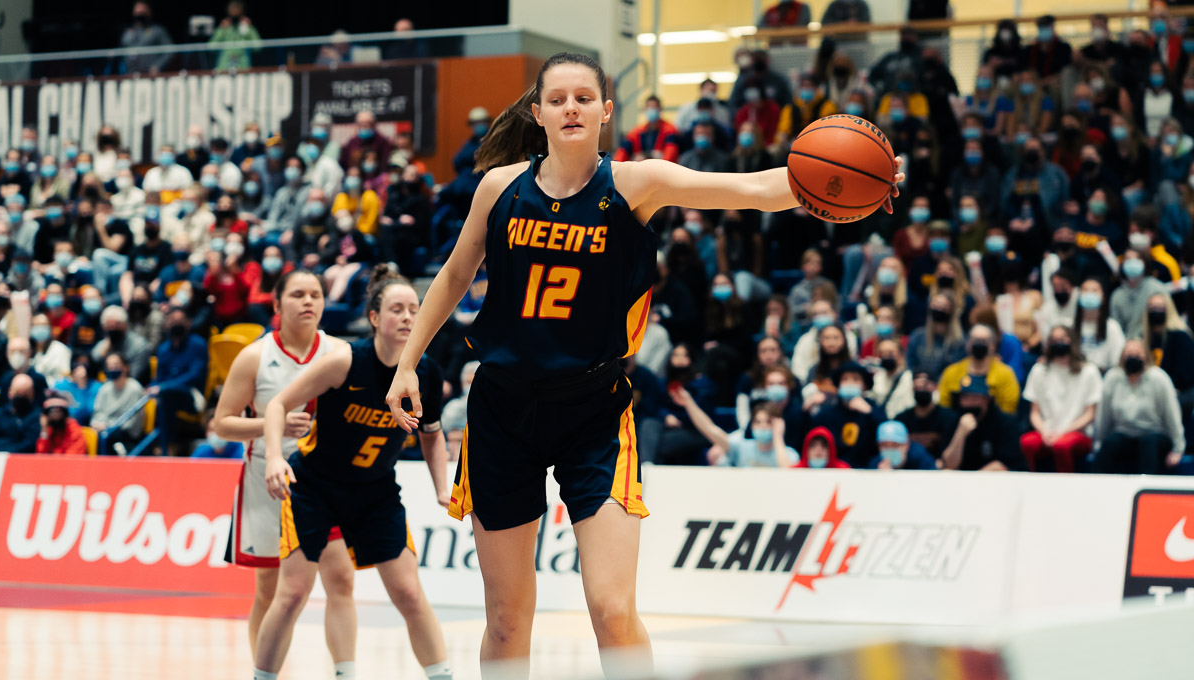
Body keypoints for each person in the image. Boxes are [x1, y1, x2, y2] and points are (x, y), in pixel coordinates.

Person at [382, 52, 900, 674]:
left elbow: (753, 190)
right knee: (508, 618)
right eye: (557, 99)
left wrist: (859, 178)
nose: (571, 108)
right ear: (538, 112)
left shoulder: (636, 183)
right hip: (502, 410)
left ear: (606, 110)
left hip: (593, 412)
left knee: (612, 608)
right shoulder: (499, 188)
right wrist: (408, 363)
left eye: (584, 98)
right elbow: (453, 275)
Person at [257, 266, 452, 680]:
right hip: (314, 488)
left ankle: (443, 676)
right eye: (397, 309)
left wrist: (441, 487)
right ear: (374, 317)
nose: (407, 317)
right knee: (291, 594)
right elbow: (277, 405)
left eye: (414, 309)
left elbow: (432, 435)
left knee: (408, 592)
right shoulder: (345, 361)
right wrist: (274, 457)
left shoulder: (428, 373)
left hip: (374, 491)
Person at [209, 270, 360, 675]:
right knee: (270, 589)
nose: (308, 301)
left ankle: (345, 670)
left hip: (327, 482)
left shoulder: (341, 352)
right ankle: (265, 671)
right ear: (276, 305)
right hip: (268, 481)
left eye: (315, 294)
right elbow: (222, 424)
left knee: (341, 578)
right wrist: (271, 424)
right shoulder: (254, 356)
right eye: (298, 294)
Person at [1093, 339, 1185, 474]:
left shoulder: (1159, 378)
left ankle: (1148, 485)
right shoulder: (1113, 378)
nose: (1133, 358)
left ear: (1146, 356)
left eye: (1137, 354)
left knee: (1148, 443)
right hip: (1124, 433)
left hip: (1155, 433)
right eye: (1129, 354)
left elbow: (1172, 414)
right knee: (1110, 444)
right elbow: (1104, 415)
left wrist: (1178, 449)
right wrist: (1098, 443)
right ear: (1122, 357)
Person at [1021, 326, 1102, 472]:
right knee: (1027, 442)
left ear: (1072, 341)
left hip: (1077, 432)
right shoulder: (1039, 370)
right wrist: (1044, 431)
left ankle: (1066, 484)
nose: (1059, 342)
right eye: (1054, 339)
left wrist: (1063, 432)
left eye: (1063, 338)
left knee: (1061, 445)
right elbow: (1034, 412)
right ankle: (1031, 481)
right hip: (1047, 431)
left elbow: (1090, 414)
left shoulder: (1089, 371)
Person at [671, 387, 798, 467]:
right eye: (758, 422)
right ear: (752, 425)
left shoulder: (790, 454)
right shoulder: (742, 447)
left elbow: (789, 475)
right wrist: (688, 402)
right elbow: (709, 429)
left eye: (769, 422)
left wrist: (778, 437)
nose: (763, 426)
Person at [147, 308, 208, 456]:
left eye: (179, 321)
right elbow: (159, 377)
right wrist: (152, 387)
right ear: (167, 324)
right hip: (166, 394)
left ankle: (167, 446)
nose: (176, 324)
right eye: (172, 321)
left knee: (166, 394)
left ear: (188, 323)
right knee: (160, 397)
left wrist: (165, 387)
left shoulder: (198, 344)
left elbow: (195, 375)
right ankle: (161, 445)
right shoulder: (163, 348)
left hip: (192, 394)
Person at [940, 374, 1029, 471]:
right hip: (965, 476)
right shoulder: (955, 420)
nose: (969, 402)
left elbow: (1003, 465)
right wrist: (960, 434)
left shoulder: (1004, 423)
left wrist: (974, 479)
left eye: (974, 397)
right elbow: (949, 464)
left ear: (986, 399)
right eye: (965, 397)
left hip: (998, 478)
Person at [936, 324, 1020, 415]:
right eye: (975, 340)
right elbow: (943, 407)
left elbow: (1008, 410)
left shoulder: (1005, 374)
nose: (979, 344)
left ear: (993, 346)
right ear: (968, 344)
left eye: (984, 341)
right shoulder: (951, 372)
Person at [91, 352, 146, 454]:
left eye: (116, 365)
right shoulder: (105, 388)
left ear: (126, 367)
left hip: (126, 435)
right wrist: (97, 424)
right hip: (105, 429)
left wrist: (108, 426)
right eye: (109, 366)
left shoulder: (134, 388)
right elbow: (98, 412)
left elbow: (130, 422)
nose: (112, 369)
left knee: (107, 437)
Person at [896, 370, 958, 456]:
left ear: (935, 386)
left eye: (925, 385)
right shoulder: (901, 420)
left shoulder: (949, 418)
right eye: (917, 386)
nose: (921, 389)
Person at [1075, 277, 1125, 372]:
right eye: (1085, 290)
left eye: (1094, 290)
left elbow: (1117, 360)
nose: (1089, 294)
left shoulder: (1112, 326)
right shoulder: (1070, 326)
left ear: (1103, 298)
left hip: (1104, 373)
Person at [614, 95, 680, 162]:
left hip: (661, 166)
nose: (651, 110)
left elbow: (670, 153)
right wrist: (616, 165)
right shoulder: (637, 131)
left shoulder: (669, 130)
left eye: (654, 107)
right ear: (644, 109)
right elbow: (623, 151)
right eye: (649, 107)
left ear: (660, 109)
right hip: (640, 166)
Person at [209, 1, 261, 71]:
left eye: (237, 14)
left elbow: (258, 47)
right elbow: (211, 47)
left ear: (242, 14)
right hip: (224, 67)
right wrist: (221, 29)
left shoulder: (247, 27)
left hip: (243, 67)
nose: (234, 16)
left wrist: (250, 28)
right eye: (232, 13)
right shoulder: (224, 28)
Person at [868, 420, 937, 470]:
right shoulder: (875, 465)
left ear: (907, 445)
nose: (889, 449)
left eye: (895, 445)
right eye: (884, 445)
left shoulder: (922, 460)